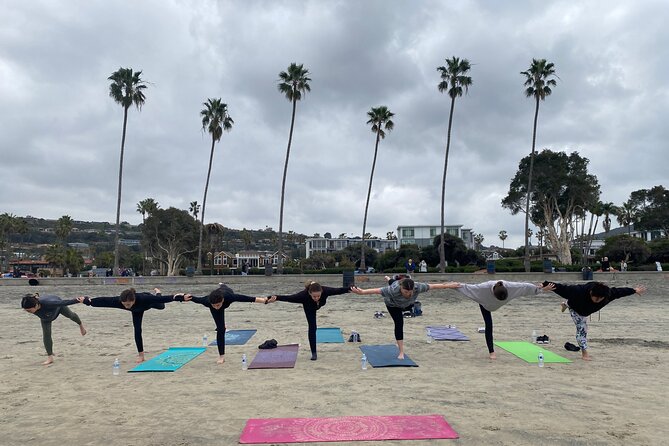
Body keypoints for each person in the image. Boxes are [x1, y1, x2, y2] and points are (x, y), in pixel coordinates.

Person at [351, 277, 459, 359]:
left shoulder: (418, 287)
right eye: (406, 292)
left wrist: (451, 285)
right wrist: (362, 292)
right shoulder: (392, 290)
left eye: (410, 292)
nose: (408, 293)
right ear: (401, 288)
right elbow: (376, 291)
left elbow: (434, 286)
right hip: (393, 305)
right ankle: (401, 351)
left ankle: (390, 279)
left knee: (396, 286)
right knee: (399, 323)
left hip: (407, 305)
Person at [450, 280, 555, 359]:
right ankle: (492, 352)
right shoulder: (483, 288)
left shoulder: (511, 287)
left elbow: (526, 287)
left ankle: (491, 352)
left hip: (495, 304)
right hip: (485, 303)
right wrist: (454, 286)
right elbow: (467, 287)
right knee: (489, 325)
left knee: (490, 324)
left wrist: (541, 289)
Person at [547, 281, 646, 360]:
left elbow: (619, 291)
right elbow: (562, 288)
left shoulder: (608, 294)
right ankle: (584, 353)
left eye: (600, 299)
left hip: (584, 310)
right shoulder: (578, 290)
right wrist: (544, 284)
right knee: (582, 329)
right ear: (591, 293)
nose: (598, 301)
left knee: (578, 310)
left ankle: (566, 304)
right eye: (596, 298)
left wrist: (634, 290)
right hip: (576, 310)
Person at [80, 287, 182, 363]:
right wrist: (89, 302)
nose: (126, 307)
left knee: (161, 306)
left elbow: (165, 299)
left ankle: (158, 292)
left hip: (148, 303)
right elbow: (104, 301)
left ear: (133, 300)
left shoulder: (144, 299)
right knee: (137, 330)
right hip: (136, 311)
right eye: (124, 305)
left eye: (128, 304)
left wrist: (178, 297)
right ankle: (141, 355)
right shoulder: (120, 301)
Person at [183, 284, 267, 364]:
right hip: (215, 297)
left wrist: (263, 300)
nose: (216, 307)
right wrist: (182, 296)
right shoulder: (207, 301)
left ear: (222, 301)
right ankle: (221, 356)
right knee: (221, 329)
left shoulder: (229, 297)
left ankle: (222, 284)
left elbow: (246, 298)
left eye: (218, 305)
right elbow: (193, 298)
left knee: (224, 287)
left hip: (226, 291)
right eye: (214, 305)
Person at [267, 281, 352, 361]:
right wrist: (274, 298)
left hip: (317, 305)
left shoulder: (325, 290)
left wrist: (352, 289)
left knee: (314, 324)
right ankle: (314, 353)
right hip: (309, 308)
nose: (316, 298)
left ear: (321, 292)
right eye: (314, 296)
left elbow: (339, 290)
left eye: (318, 296)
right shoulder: (303, 296)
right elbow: (288, 297)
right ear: (309, 293)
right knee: (312, 327)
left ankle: (312, 282)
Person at [21, 293, 87, 365]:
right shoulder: (32, 303)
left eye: (29, 311)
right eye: (26, 311)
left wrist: (79, 300)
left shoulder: (48, 303)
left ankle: (80, 325)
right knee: (46, 334)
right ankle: (50, 357)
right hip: (45, 317)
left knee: (71, 315)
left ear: (36, 306)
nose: (28, 312)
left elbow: (64, 302)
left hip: (58, 308)